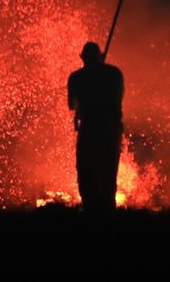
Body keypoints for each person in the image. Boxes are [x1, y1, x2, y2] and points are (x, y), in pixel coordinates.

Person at [67, 42, 124, 212]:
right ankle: (108, 212)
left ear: (82, 57)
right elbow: (118, 97)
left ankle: (90, 210)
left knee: (86, 172)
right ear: (100, 55)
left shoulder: (76, 77)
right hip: (111, 130)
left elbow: (71, 104)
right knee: (108, 171)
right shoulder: (114, 74)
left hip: (89, 130)